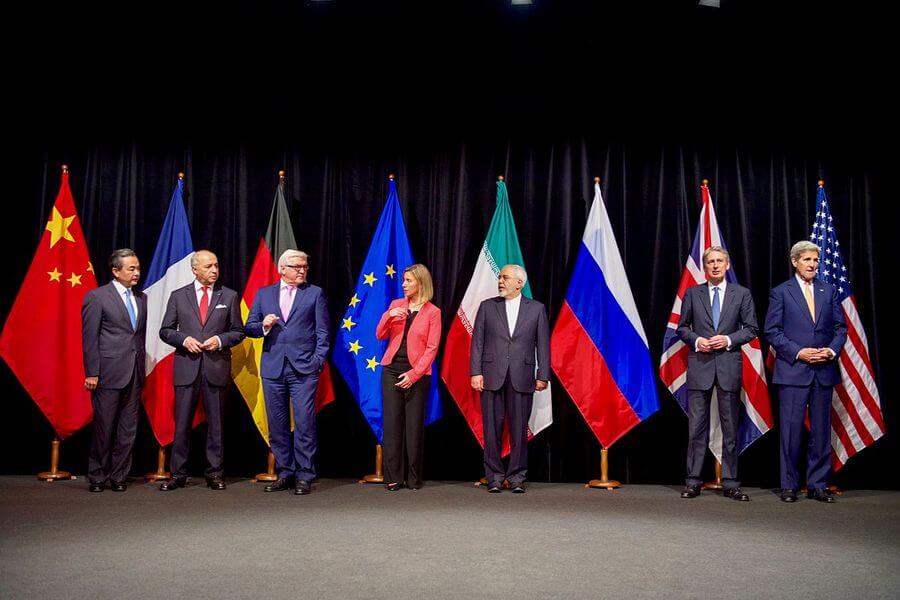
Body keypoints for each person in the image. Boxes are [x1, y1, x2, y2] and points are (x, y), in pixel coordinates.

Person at [765, 240, 847, 503]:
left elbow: (840, 328)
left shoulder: (829, 291)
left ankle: (818, 484)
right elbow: (772, 331)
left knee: (821, 431)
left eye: (815, 260)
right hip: (793, 370)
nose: (812, 264)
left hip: (823, 370)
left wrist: (831, 351)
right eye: (807, 260)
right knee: (791, 431)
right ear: (795, 262)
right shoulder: (781, 292)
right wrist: (799, 352)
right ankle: (789, 484)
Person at [676, 246, 758, 501]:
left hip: (728, 367)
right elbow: (681, 327)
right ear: (705, 267)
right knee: (696, 428)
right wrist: (698, 340)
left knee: (730, 428)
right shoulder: (692, 293)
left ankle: (731, 483)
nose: (715, 265)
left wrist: (728, 339)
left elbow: (752, 328)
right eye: (710, 261)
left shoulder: (741, 294)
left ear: (727, 265)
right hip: (700, 367)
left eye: (719, 261)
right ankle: (693, 481)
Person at [158, 250, 244, 491]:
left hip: (216, 367)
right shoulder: (178, 296)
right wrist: (183, 339)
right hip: (187, 367)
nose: (214, 270)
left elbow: (238, 331)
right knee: (182, 423)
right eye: (208, 266)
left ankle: (214, 473)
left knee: (216, 424)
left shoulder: (229, 295)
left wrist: (220, 339)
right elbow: (165, 330)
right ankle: (178, 474)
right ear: (195, 269)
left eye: (216, 265)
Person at [245, 249, 329, 495]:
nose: (302, 270)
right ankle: (285, 472)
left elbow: (323, 332)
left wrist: (317, 362)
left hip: (304, 369)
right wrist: (264, 325)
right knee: (278, 424)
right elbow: (249, 327)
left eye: (305, 266)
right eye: (296, 266)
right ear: (282, 269)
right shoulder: (264, 294)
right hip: (273, 368)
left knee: (304, 422)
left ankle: (305, 475)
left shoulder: (314, 294)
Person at [470, 264, 550, 493]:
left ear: (519, 283)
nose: (500, 281)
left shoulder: (536, 309)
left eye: (505, 277)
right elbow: (477, 343)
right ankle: (494, 477)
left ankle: (516, 477)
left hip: (522, 376)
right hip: (491, 376)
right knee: (492, 430)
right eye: (499, 277)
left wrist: (542, 374)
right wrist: (476, 372)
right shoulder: (487, 307)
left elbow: (543, 345)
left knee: (518, 431)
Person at [81, 249, 146, 493]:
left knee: (128, 429)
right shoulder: (97, 297)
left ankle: (119, 475)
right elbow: (90, 338)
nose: (136, 273)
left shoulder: (142, 298)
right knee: (104, 427)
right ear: (115, 271)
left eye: (138, 268)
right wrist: (92, 372)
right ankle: (97, 475)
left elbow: (136, 336)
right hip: (108, 372)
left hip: (135, 372)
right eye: (131, 269)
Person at [375, 264, 441, 491]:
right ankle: (394, 477)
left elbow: (432, 349)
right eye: (403, 280)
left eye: (408, 280)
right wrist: (388, 315)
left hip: (418, 373)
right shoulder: (396, 305)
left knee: (413, 426)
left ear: (421, 283)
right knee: (392, 424)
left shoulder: (433, 312)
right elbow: (380, 334)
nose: (403, 284)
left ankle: (413, 478)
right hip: (391, 369)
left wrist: (413, 375)